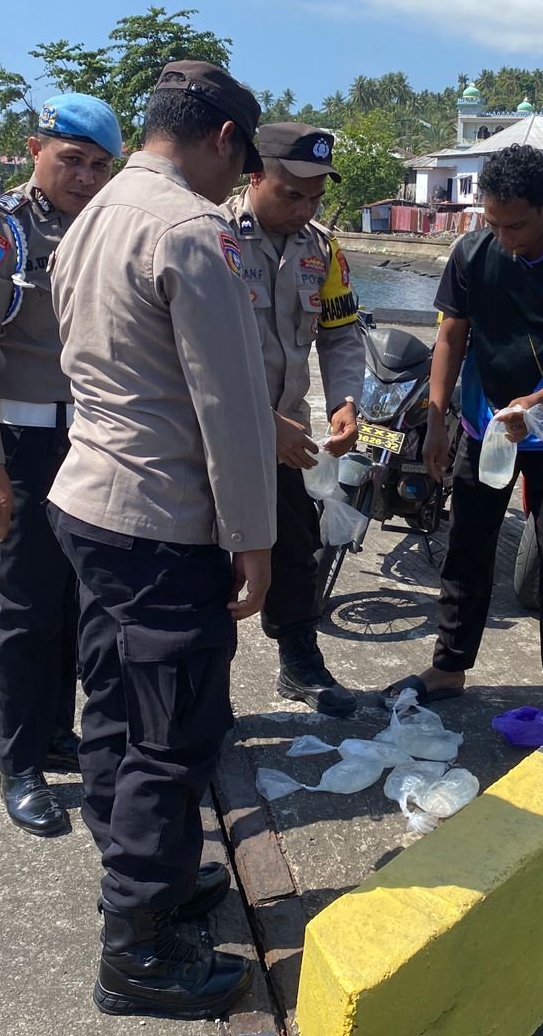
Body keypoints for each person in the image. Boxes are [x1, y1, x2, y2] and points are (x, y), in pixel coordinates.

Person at [46, 61, 273, 1019]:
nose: (239, 182)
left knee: (113, 705)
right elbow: (230, 403)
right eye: (242, 161)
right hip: (160, 519)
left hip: (90, 502)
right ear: (222, 138)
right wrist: (254, 537)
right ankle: (135, 951)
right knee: (172, 737)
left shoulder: (93, 212)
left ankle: (152, 877)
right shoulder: (188, 228)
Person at [383, 143, 543, 721]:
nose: (505, 237)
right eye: (493, 223)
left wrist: (534, 404)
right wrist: (435, 423)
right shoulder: (472, 251)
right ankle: (449, 667)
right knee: (467, 545)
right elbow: (451, 337)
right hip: (483, 422)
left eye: (516, 225)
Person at [0, 92, 121, 838]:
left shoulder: (104, 225)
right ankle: (18, 765)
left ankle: (53, 733)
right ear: (35, 149)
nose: (84, 177)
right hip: (22, 445)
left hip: (89, 441)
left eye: (99, 166)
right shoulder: (2, 229)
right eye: (71, 160)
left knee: (74, 601)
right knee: (22, 607)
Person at [222, 124, 364, 717]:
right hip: (219, 434)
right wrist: (260, 423)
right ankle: (209, 687)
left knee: (296, 552)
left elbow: (340, 334)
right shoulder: (214, 236)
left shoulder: (322, 249)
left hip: (292, 434)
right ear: (255, 174)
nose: (305, 209)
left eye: (315, 198)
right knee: (215, 559)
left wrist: (345, 401)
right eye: (292, 194)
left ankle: (300, 662)